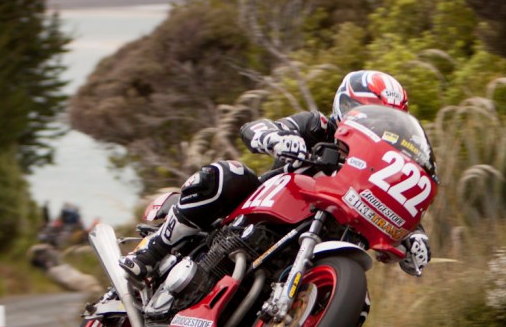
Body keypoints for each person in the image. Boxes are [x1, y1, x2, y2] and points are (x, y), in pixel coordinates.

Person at [119, 70, 431, 282]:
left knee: (358, 308)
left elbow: (402, 209)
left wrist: (415, 237)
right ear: (343, 104)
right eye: (362, 109)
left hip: (321, 241)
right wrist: (277, 138)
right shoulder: (318, 126)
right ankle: (153, 251)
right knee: (229, 174)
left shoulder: (383, 168)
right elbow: (258, 127)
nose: (368, 121)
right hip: (263, 211)